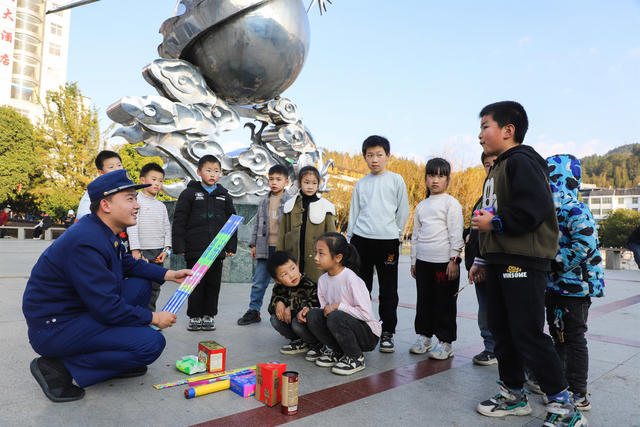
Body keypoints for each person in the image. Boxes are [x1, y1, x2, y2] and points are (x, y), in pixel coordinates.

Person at [22, 169, 191, 402]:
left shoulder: (103, 230)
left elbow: (129, 264)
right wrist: (153, 318)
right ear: (106, 205)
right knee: (151, 344)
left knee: (141, 283)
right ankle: (59, 368)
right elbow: (107, 307)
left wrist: (170, 274)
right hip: (55, 328)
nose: (137, 205)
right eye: (130, 198)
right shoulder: (86, 241)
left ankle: (120, 358)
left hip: (79, 312)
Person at [471, 101, 586, 426]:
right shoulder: (498, 167)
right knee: (502, 330)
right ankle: (513, 394)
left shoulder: (522, 162)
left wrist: (494, 223)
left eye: (485, 126)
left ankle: (566, 407)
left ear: (508, 131)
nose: (480, 134)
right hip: (499, 261)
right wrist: (483, 257)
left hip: (523, 261)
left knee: (528, 333)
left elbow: (532, 209)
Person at [545, 154, 605, 411]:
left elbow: (585, 244)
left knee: (574, 339)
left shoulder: (576, 208)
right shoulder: (550, 210)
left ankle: (578, 392)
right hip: (554, 286)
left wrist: (556, 262)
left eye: (548, 179)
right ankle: (561, 386)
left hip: (575, 288)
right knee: (558, 337)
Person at [347, 135, 410, 353]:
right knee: (361, 288)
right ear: (364, 157)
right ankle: (362, 327)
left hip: (387, 242)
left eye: (379, 155)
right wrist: (349, 240)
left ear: (388, 156)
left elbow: (403, 211)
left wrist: (396, 233)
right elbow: (354, 212)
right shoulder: (361, 183)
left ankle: (387, 331)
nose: (374, 159)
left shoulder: (396, 180)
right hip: (361, 241)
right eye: (370, 155)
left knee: (388, 288)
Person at [299, 232, 381, 375]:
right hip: (342, 323)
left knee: (336, 316)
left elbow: (366, 314)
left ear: (338, 258)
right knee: (314, 315)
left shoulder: (351, 279)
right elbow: (325, 310)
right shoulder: (323, 280)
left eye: (321, 253)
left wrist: (338, 306)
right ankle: (337, 351)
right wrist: (309, 311)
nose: (316, 258)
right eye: (316, 253)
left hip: (367, 334)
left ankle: (356, 357)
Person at [172, 154, 237, 332]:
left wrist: (231, 246)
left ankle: (209, 315)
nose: (212, 174)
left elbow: (232, 221)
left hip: (216, 250)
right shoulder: (189, 193)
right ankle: (194, 316)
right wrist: (180, 246)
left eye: (216, 171)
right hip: (195, 249)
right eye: (208, 170)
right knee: (194, 284)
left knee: (213, 284)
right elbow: (179, 220)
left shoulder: (224, 196)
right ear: (199, 172)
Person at [409, 158, 464, 360]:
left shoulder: (452, 204)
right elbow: (416, 235)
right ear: (425, 178)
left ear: (447, 180)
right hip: (424, 262)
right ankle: (424, 337)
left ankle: (445, 342)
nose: (435, 180)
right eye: (431, 175)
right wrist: (414, 261)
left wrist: (454, 260)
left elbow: (456, 233)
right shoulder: (422, 206)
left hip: (444, 264)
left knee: (444, 303)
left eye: (440, 176)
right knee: (424, 301)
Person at [238, 164, 293, 326]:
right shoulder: (263, 201)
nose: (274, 182)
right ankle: (254, 311)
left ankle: (290, 310)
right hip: (264, 246)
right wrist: (253, 244)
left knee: (286, 281)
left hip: (282, 249)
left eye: (278, 179)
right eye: (271, 179)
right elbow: (257, 225)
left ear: (287, 181)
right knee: (259, 281)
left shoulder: (291, 202)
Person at [464, 152, 498, 366]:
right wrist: (468, 233)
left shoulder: (505, 193)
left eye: (495, 163)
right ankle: (490, 347)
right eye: (487, 165)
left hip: (495, 263)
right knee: (484, 308)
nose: (491, 168)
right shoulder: (483, 196)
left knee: (496, 309)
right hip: (479, 263)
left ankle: (499, 349)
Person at [277, 166, 336, 283]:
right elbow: (282, 235)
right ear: (299, 183)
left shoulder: (326, 206)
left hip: (317, 261)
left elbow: (332, 237)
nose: (310, 186)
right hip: (292, 258)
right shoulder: (290, 206)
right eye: (306, 182)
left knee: (315, 292)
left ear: (318, 184)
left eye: (314, 183)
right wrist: (278, 260)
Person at [127, 163, 173, 312]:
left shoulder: (161, 206)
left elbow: (167, 227)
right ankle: (137, 316)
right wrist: (135, 250)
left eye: (160, 180)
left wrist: (167, 249)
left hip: (158, 251)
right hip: (141, 251)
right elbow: (132, 227)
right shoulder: (136, 202)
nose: (157, 184)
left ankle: (151, 316)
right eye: (153, 179)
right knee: (139, 285)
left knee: (155, 286)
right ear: (142, 180)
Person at [266, 251, 320, 356]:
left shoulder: (307, 284)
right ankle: (298, 341)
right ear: (277, 280)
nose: (291, 275)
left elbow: (314, 304)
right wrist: (279, 302)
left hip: (306, 322)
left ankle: (316, 344)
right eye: (284, 274)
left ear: (297, 265)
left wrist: (291, 308)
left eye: (293, 268)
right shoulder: (279, 287)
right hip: (293, 322)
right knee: (274, 319)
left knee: (296, 322)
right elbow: (270, 308)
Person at [76, 150, 124, 219]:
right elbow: (82, 216)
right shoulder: (94, 191)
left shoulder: (125, 187)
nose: (117, 169)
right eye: (111, 167)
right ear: (101, 172)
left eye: (119, 165)